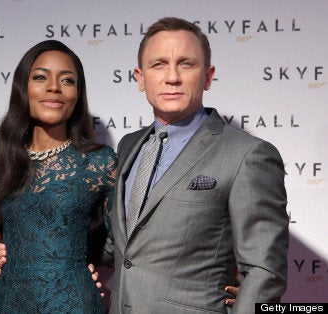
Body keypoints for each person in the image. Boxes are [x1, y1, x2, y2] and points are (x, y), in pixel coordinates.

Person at [103, 17, 288, 313]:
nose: (172, 77)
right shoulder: (128, 146)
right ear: (140, 77)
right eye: (158, 64)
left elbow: (265, 271)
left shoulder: (248, 154)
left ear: (207, 76)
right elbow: (122, 244)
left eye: (186, 64)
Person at [0, 40, 116, 313]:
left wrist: (80, 256)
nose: (54, 87)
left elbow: (122, 240)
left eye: (67, 80)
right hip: (10, 303)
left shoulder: (99, 162)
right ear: (23, 89)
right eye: (41, 77)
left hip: (74, 302)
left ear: (77, 94)